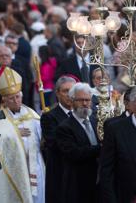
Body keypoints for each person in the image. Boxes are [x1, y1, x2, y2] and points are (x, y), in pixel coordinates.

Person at [0, 66, 45, 203]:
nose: (16, 101)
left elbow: (42, 137)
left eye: (17, 97)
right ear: (4, 100)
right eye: (11, 98)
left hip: (35, 164)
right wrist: (15, 133)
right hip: (15, 166)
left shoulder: (31, 114)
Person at [56, 82, 100, 202]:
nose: (85, 104)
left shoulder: (96, 121)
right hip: (78, 184)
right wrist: (101, 148)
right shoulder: (64, 128)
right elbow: (74, 153)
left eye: (87, 100)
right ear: (72, 101)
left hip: (99, 182)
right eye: (80, 100)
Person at [40, 75, 76, 203]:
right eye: (65, 91)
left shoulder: (85, 114)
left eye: (72, 91)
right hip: (61, 174)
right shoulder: (49, 117)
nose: (69, 95)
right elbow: (56, 144)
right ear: (57, 94)